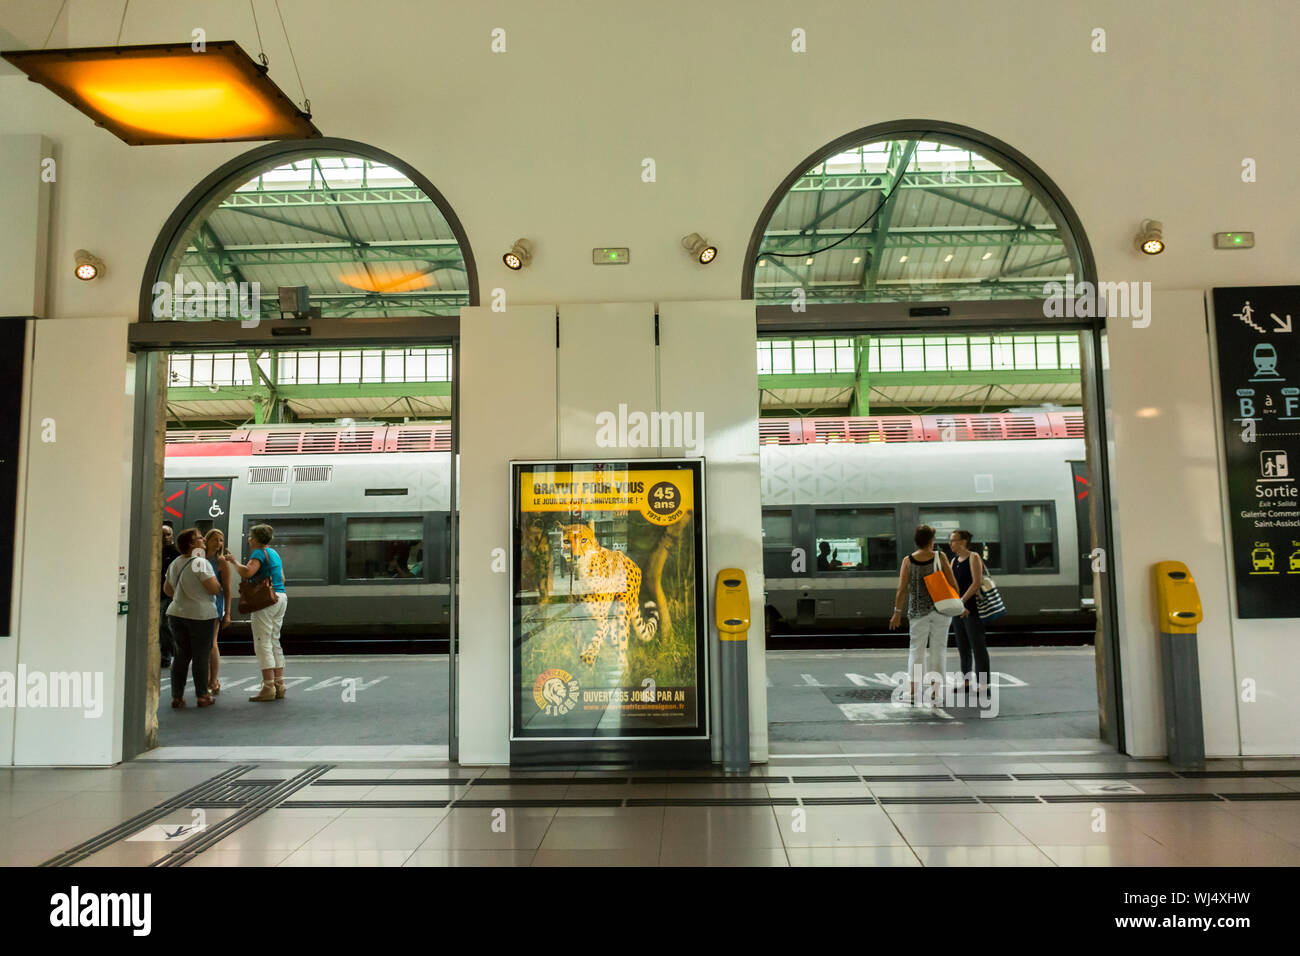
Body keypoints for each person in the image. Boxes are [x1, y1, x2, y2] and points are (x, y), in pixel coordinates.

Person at [888, 524, 961, 703]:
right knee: (938, 650)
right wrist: (957, 601)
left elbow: (901, 589)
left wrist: (897, 612)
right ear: (931, 541)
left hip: (918, 612)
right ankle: (936, 693)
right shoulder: (940, 556)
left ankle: (913, 692)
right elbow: (953, 583)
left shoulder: (908, 561)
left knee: (916, 651)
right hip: (941, 611)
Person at [227, 524, 287, 702]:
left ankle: (268, 687)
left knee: (262, 643)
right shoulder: (274, 553)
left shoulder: (258, 553)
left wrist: (233, 561)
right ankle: (279, 684)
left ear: (257, 539)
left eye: (251, 536)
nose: (249, 539)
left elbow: (248, 571)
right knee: (274, 640)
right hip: (281, 596)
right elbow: (282, 578)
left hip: (266, 601)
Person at [163, 528, 221, 708]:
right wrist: (216, 586)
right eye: (199, 538)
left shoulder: (176, 563)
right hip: (200, 615)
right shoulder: (199, 563)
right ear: (191, 544)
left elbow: (167, 589)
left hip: (176, 613)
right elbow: (213, 588)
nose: (203, 540)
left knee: (181, 656)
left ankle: (177, 697)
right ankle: (202, 696)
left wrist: (183, 597)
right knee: (201, 656)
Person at [949, 529, 991, 695]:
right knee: (963, 647)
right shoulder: (954, 561)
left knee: (978, 646)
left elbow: (976, 583)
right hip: (959, 610)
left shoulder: (974, 557)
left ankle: (983, 685)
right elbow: (952, 585)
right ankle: (966, 682)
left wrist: (962, 602)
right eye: (950, 540)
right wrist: (957, 605)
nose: (950, 543)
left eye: (953, 540)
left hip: (973, 609)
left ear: (963, 541)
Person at [204, 529, 232, 696]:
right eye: (215, 539)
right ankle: (207, 679)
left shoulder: (221, 562)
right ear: (207, 541)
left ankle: (213, 680)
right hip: (198, 606)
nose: (218, 543)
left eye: (221, 540)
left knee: (211, 643)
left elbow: (227, 589)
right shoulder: (198, 560)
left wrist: (227, 613)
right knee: (204, 645)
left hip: (215, 606)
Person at [158, 524, 179, 669]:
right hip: (159, 594)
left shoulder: (175, 553)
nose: (165, 537)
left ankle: (167, 656)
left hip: (169, 594)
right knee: (163, 626)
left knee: (164, 625)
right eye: (162, 534)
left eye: (167, 534)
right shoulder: (155, 551)